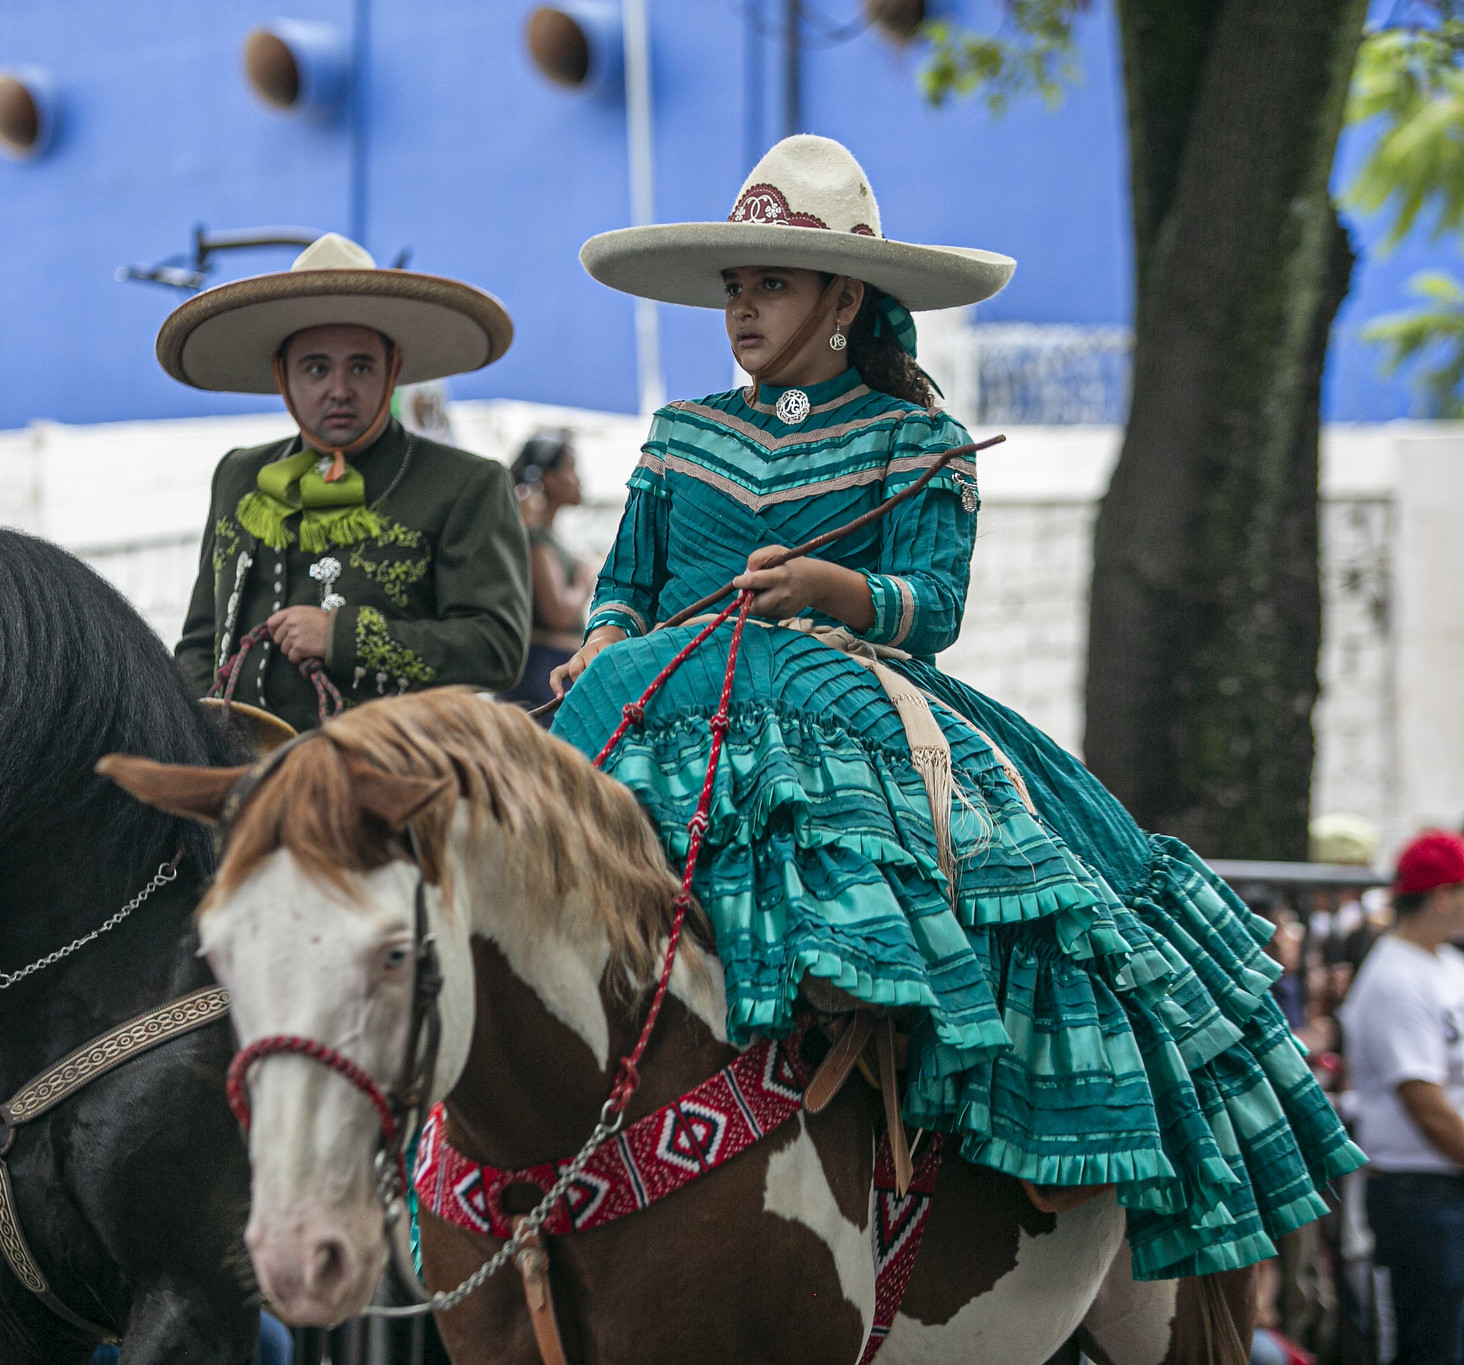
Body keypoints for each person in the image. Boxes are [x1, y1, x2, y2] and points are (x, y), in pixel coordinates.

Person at [549, 134, 1361, 1281]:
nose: (739, 309)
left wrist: (831, 590)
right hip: (653, 699)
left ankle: (923, 1137)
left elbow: (930, 610)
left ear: (842, 299)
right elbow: (625, 585)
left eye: (769, 284)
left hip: (843, 695)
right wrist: (597, 650)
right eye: (733, 287)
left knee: (971, 883)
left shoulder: (919, 441)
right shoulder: (680, 432)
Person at [166, 233, 531, 733]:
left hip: (395, 771)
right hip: (240, 767)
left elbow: (498, 649)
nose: (339, 390)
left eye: (360, 367)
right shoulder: (239, 475)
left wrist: (342, 637)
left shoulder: (467, 483)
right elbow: (200, 640)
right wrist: (195, 736)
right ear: (282, 376)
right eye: (316, 368)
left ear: (392, 371)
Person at [1340, 831, 1464, 1365]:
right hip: (1418, 1195)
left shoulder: (1446, 965)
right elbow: (1426, 1106)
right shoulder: (1396, 978)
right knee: (1429, 1348)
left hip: (1445, 1189)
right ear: (1444, 895)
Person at [498, 430, 593, 710]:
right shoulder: (536, 540)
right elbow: (559, 613)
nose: (578, 480)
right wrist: (583, 582)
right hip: (543, 677)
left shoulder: (546, 538)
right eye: (570, 469)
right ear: (548, 479)